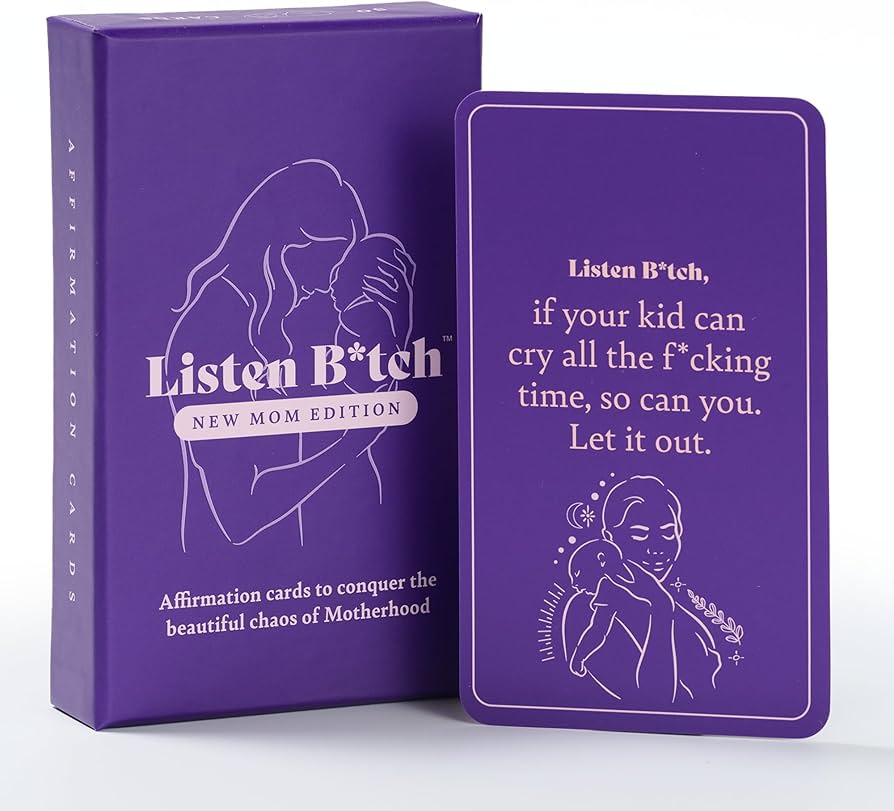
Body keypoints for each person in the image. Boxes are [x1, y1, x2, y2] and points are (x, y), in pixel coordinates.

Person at [164, 160, 414, 551]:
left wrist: (397, 336)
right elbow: (240, 516)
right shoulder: (210, 328)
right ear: (285, 246)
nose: (333, 279)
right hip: (230, 575)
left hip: (327, 565)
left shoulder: (291, 314)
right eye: (332, 258)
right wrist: (354, 442)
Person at [561, 476, 722, 703]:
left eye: (668, 533)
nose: (656, 548)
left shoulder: (688, 621)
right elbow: (654, 703)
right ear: (609, 540)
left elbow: (711, 695)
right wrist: (661, 609)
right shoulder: (584, 608)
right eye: (639, 534)